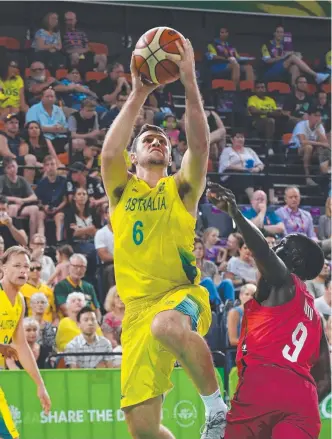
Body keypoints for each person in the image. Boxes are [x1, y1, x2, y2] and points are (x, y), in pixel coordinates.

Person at [101, 39, 227, 439]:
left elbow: (201, 145)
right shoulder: (122, 191)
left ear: (171, 159)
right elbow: (107, 155)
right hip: (135, 312)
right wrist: (139, 92)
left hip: (180, 294)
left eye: (163, 142)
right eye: (147, 140)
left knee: (166, 326)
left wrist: (189, 80)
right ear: (134, 156)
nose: (156, 142)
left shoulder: (182, 189)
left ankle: (217, 411)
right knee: (144, 431)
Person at [206, 183, 331, 439]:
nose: (277, 246)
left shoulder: (282, 282)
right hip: (303, 400)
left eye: (284, 244)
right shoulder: (315, 317)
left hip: (262, 385)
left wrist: (236, 214)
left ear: (295, 262)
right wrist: (297, 397)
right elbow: (326, 378)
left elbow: (261, 250)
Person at [0, 246, 51, 439]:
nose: (23, 270)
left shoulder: (20, 301)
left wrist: (40, 385)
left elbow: (21, 346)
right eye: (17, 265)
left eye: (26, 267)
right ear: (3, 268)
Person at [261, 25, 329, 86]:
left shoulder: (285, 44)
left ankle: (295, 89)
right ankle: (316, 75)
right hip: (270, 71)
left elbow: (290, 54)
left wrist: (297, 56)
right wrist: (284, 57)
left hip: (283, 70)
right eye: (278, 32)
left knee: (295, 67)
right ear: (274, 33)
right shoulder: (267, 45)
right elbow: (267, 61)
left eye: (282, 32)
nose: (280, 34)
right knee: (293, 58)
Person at [0, 157, 39, 241]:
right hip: (8, 206)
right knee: (13, 207)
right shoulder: (2, 179)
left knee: (35, 209)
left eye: (13, 166)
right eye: (9, 168)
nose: (12, 169)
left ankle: (31, 241)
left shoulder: (22, 179)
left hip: (21, 206)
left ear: (17, 166)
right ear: (5, 170)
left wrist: (22, 201)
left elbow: (34, 197)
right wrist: (15, 199)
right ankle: (12, 238)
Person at [218, 129, 264, 201]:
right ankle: (253, 200)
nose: (240, 139)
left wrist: (257, 169)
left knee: (266, 176)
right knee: (245, 176)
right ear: (232, 139)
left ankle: (272, 200)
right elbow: (225, 165)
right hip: (232, 175)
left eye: (242, 137)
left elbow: (260, 164)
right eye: (238, 137)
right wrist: (243, 169)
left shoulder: (249, 150)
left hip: (251, 173)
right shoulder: (227, 151)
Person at [53, 253, 101, 322]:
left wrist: (97, 323)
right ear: (69, 267)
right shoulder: (61, 286)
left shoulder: (89, 287)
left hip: (89, 323)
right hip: (70, 322)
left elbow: (97, 310)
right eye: (75, 266)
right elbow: (65, 310)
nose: (79, 270)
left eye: (82, 267)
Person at [35, 155, 67, 242]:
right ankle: (40, 241)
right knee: (39, 215)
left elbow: (65, 200)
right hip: (45, 209)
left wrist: (57, 209)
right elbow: (38, 201)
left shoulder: (63, 181)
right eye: (48, 165)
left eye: (52, 164)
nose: (50, 167)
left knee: (59, 217)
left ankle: (59, 243)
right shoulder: (41, 183)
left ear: (56, 166)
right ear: (45, 167)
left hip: (59, 209)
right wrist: (44, 207)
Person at [247, 81, 283, 155]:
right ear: (255, 90)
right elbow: (253, 110)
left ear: (266, 89)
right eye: (258, 88)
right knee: (270, 121)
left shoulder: (270, 100)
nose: (260, 89)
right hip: (257, 121)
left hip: (270, 121)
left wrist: (275, 113)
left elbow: (276, 111)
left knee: (280, 120)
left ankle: (281, 148)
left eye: (262, 87)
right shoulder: (252, 98)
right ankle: (269, 147)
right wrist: (269, 113)